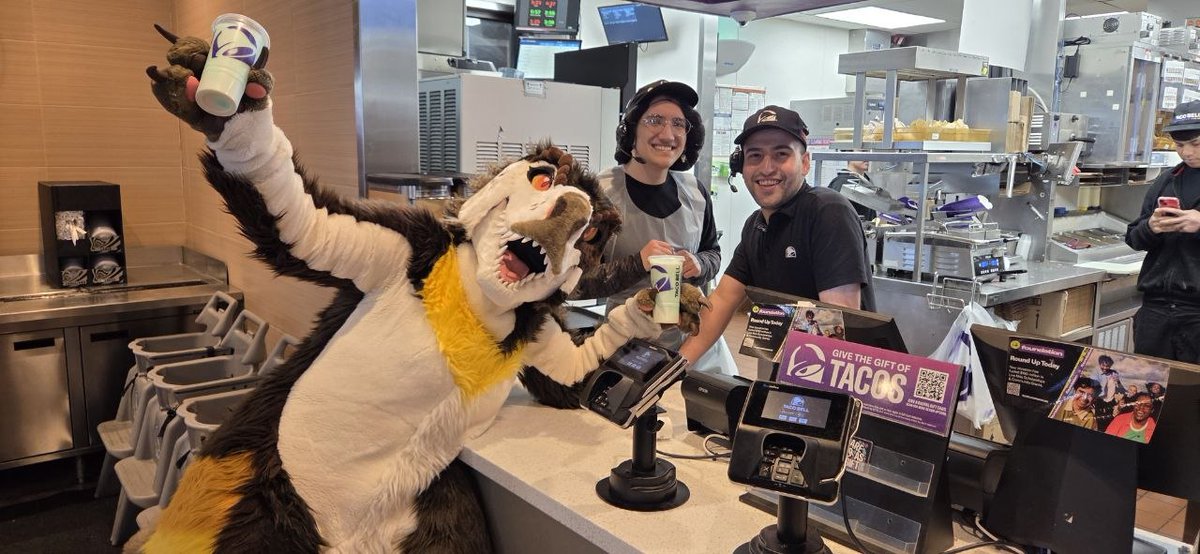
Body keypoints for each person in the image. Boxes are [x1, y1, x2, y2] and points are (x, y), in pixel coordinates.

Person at [680, 105, 875, 364]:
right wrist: (668, 370)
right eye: (755, 156)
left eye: (781, 154)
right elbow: (723, 300)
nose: (767, 168)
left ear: (804, 162)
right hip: (791, 375)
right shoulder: (756, 226)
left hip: (843, 383)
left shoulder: (828, 212)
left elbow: (837, 324)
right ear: (741, 165)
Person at [571, 80, 723, 353]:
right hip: (624, 342)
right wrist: (637, 264)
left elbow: (713, 253)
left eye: (679, 124)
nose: (668, 135)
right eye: (654, 120)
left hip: (691, 343)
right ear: (630, 131)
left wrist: (698, 264)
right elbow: (575, 284)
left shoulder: (696, 193)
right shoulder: (600, 194)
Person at [1126, 100, 1200, 364]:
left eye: (1196, 143)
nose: (1187, 153)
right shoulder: (1167, 179)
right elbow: (1133, 236)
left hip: (1197, 313)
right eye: (1180, 145)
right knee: (1149, 395)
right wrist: (1151, 227)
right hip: (1155, 310)